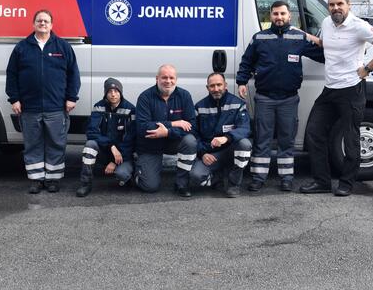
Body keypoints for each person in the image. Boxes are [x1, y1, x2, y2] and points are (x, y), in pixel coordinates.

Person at [300, 0, 373, 197]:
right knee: (314, 133)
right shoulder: (326, 23)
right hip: (330, 89)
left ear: (348, 5)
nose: (335, 8)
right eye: (332, 4)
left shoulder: (359, 26)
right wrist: (306, 37)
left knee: (350, 137)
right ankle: (322, 181)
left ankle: (346, 183)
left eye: (339, 4)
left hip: (352, 89)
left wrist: (368, 68)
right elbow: (327, 45)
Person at [236, 0, 324, 192]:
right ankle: (258, 177)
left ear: (289, 16)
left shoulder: (299, 37)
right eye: (275, 14)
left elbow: (323, 55)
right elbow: (246, 62)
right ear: (270, 16)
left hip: (289, 98)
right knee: (262, 139)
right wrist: (241, 81)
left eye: (283, 14)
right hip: (265, 98)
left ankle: (286, 178)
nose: (279, 17)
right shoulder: (259, 38)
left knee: (287, 139)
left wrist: (337, 45)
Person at [6, 9, 81, 194]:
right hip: (29, 107)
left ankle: (53, 180)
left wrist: (72, 97)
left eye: (46, 21)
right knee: (33, 144)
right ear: (34, 24)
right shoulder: (22, 48)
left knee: (56, 143)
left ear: (51, 25)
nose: (42, 24)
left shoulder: (62, 47)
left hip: (56, 107)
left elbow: (74, 74)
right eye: (39, 21)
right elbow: (12, 75)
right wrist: (14, 99)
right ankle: (36, 179)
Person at [135, 64, 197, 198]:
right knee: (149, 186)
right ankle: (138, 171)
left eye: (171, 78)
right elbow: (142, 127)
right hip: (151, 145)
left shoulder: (184, 96)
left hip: (173, 142)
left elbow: (192, 127)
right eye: (164, 77)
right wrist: (174, 123)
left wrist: (168, 132)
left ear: (176, 79)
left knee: (190, 141)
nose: (168, 81)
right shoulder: (145, 97)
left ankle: (182, 184)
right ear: (157, 78)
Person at [189, 73, 252, 198]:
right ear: (207, 88)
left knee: (245, 144)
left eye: (219, 85)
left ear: (225, 85)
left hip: (231, 150)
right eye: (212, 86)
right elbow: (194, 134)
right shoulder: (200, 107)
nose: (216, 89)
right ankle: (217, 178)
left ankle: (234, 184)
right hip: (211, 154)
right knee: (195, 177)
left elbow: (245, 129)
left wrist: (226, 137)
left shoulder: (237, 104)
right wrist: (202, 154)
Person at [76, 78, 136, 197]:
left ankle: (128, 176)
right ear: (105, 93)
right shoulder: (99, 106)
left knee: (122, 174)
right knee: (90, 145)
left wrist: (114, 161)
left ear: (121, 92)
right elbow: (91, 131)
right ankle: (85, 183)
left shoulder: (130, 109)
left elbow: (131, 138)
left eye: (116, 91)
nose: (113, 94)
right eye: (110, 91)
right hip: (106, 149)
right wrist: (111, 146)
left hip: (123, 154)